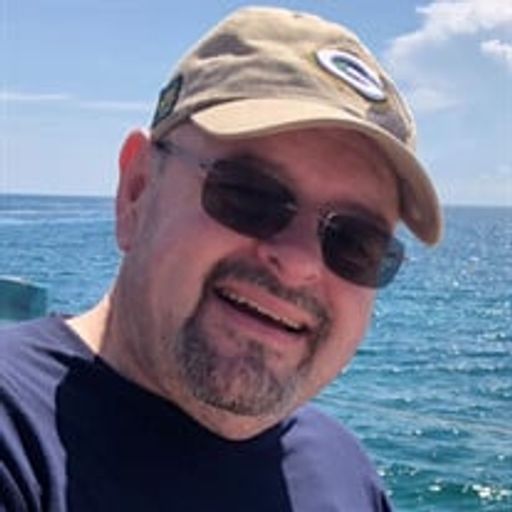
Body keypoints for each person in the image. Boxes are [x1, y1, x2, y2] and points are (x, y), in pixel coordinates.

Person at [0, 6, 442, 512]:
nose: (300, 263)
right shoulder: (16, 438)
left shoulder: (344, 471)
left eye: (354, 242)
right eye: (250, 196)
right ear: (137, 191)